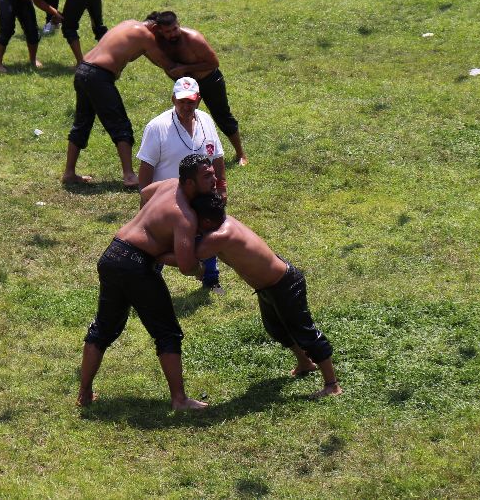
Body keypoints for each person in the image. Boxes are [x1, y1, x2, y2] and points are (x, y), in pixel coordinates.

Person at [77, 155, 219, 411]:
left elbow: (145, 194)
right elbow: (187, 266)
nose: (215, 180)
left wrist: (150, 228)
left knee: (104, 328)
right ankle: (179, 400)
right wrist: (197, 269)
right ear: (189, 183)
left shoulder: (168, 185)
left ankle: (84, 393)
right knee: (167, 332)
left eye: (213, 173)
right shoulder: (184, 216)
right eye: (207, 176)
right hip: (136, 265)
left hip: (113, 253)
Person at [188, 193, 343, 399]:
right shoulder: (224, 222)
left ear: (205, 220)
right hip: (269, 287)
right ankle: (306, 363)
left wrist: (152, 250)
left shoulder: (220, 235)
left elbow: (187, 257)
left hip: (284, 284)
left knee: (304, 332)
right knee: (276, 329)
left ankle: (332, 385)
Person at [63, 15, 180, 187]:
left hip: (83, 70)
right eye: (162, 34)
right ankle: (129, 176)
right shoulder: (145, 35)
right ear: (154, 27)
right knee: (120, 125)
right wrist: (189, 79)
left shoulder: (128, 24)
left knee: (82, 122)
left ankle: (69, 173)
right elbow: (165, 64)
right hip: (98, 76)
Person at [137, 77, 228, 295]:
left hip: (203, 196)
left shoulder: (206, 120)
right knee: (158, 242)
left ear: (198, 100)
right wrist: (146, 204)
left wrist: (221, 186)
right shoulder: (157, 127)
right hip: (170, 200)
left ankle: (210, 279)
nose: (186, 106)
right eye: (181, 101)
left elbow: (217, 157)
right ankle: (148, 281)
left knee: (209, 235)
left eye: (191, 101)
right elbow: (145, 169)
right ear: (173, 100)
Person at [148, 11, 248, 166]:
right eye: (168, 31)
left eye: (175, 29)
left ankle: (241, 154)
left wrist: (184, 67)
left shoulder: (193, 38)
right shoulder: (159, 42)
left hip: (210, 80)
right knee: (182, 118)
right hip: (187, 84)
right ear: (160, 30)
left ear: (179, 24)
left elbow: (214, 63)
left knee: (222, 116)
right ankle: (180, 156)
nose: (173, 34)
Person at [48, 0, 109, 66]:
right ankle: (110, 58)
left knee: (68, 27)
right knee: (98, 26)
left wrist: (64, 15)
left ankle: (80, 62)